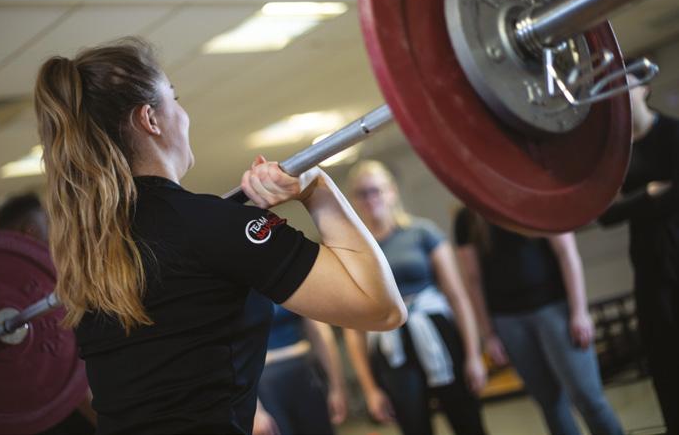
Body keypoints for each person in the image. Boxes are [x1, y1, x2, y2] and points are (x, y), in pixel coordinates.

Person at [33, 37, 406, 435]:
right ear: (150, 119)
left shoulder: (88, 257)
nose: (184, 115)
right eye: (174, 99)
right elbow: (382, 309)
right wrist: (316, 189)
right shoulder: (210, 225)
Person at [343, 160, 487, 435]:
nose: (370, 198)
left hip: (436, 331)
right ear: (354, 200)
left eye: (376, 190)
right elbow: (353, 327)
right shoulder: (354, 250)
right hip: (390, 341)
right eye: (362, 193)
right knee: (414, 426)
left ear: (391, 192)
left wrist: (473, 355)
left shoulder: (422, 233)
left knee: (467, 420)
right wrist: (370, 389)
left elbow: (457, 296)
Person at [454, 207, 623, 435]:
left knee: (588, 398)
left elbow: (566, 253)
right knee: (550, 404)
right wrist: (489, 335)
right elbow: (472, 280)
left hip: (554, 309)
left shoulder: (535, 196)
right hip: (508, 320)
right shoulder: (467, 217)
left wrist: (579, 312)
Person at [0, 192, 97, 435]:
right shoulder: (22, 299)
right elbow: (69, 384)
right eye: (50, 225)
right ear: (31, 231)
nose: (58, 236)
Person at [599, 73, 679, 434]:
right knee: (663, 356)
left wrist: (634, 202)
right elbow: (605, 214)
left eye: (626, 85)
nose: (621, 94)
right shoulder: (617, 152)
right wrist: (648, 194)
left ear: (644, 89)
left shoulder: (673, 132)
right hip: (648, 265)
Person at [253, 302, 347, 435]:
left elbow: (320, 335)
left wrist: (336, 387)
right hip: (265, 382)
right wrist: (255, 410)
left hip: (303, 371)